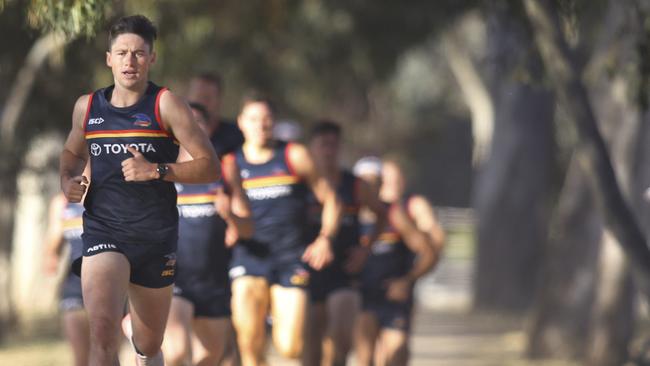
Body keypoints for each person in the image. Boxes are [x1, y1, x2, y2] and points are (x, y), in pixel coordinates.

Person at [59, 15, 219, 366]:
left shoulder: (167, 105)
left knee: (148, 343)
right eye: (122, 53)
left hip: (154, 238)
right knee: (102, 331)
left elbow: (210, 165)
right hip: (104, 231)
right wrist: (68, 182)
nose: (130, 61)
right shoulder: (88, 107)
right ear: (109, 58)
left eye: (138, 53)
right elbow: (71, 154)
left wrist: (157, 170)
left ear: (152, 58)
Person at [228, 92, 342, 366]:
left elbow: (332, 200)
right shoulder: (231, 163)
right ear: (242, 122)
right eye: (254, 119)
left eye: (266, 119)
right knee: (249, 344)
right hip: (249, 258)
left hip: (291, 258)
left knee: (291, 347)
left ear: (274, 122)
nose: (260, 125)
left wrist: (325, 238)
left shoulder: (294, 155)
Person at [161, 103, 252, 366]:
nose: (191, 127)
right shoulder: (161, 170)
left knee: (210, 357)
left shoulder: (225, 172)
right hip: (173, 278)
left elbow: (247, 229)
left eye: (198, 122)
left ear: (209, 129)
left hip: (214, 281)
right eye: (185, 122)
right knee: (176, 353)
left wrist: (231, 216)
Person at [302, 121, 386, 366]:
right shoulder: (302, 183)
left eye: (333, 145)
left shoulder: (356, 185)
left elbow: (381, 215)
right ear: (312, 148)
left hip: (344, 271)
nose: (328, 151)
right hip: (308, 270)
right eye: (322, 145)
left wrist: (365, 248)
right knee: (311, 347)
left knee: (341, 339)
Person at [353, 158, 445, 366]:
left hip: (394, 300)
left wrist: (407, 280)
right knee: (365, 360)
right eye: (363, 181)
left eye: (375, 181)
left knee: (396, 356)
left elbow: (430, 252)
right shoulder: (350, 216)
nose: (369, 186)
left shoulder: (395, 215)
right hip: (362, 297)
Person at [43, 192, 89, 366]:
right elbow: (52, 246)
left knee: (105, 352)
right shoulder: (61, 203)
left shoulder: (109, 194)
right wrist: (51, 257)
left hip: (107, 284)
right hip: (74, 285)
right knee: (80, 358)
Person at [186, 73, 244, 157]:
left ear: (219, 100)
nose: (201, 103)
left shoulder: (236, 138)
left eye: (207, 98)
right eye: (197, 96)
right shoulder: (173, 136)